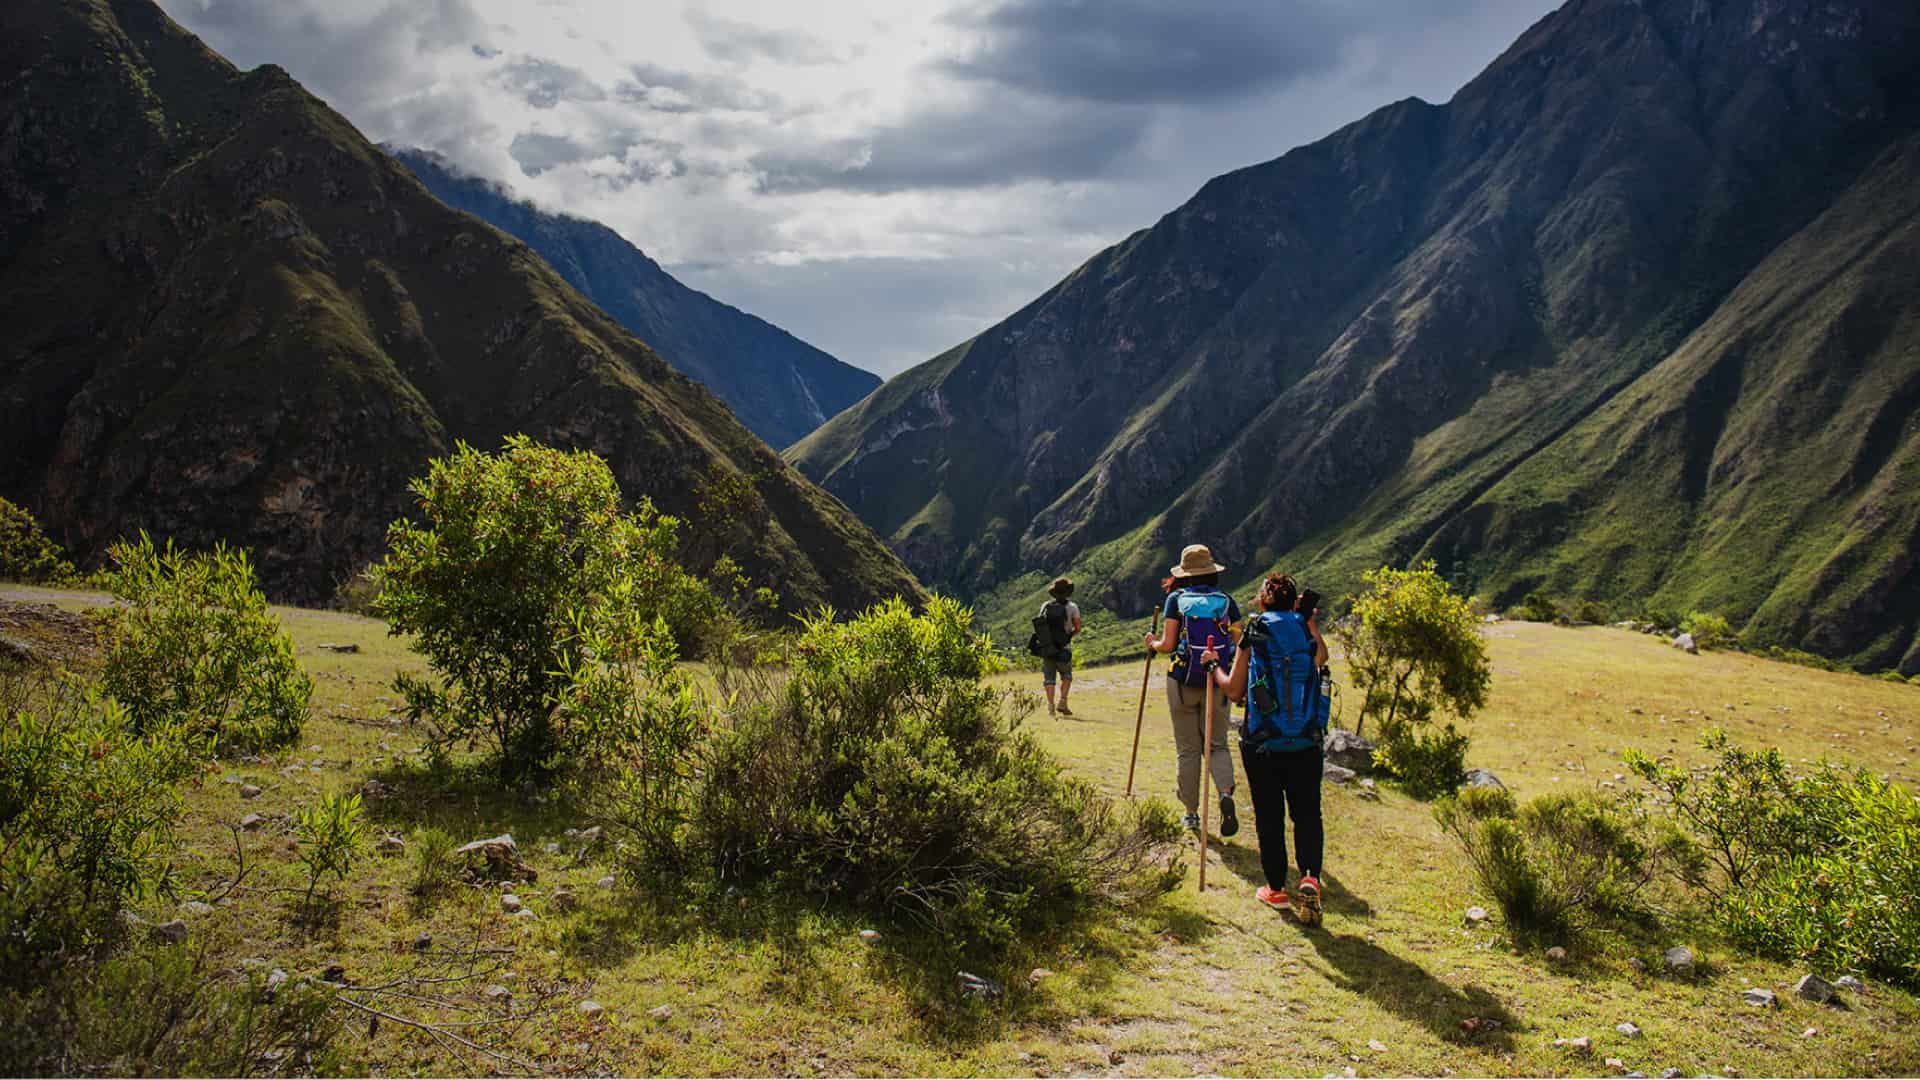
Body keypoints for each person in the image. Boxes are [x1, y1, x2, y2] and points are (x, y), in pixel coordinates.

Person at [1201, 573, 1330, 924]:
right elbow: (1321, 659)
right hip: (1306, 740)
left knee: (1270, 817)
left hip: (1263, 743)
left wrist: (1213, 665)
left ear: (1262, 600)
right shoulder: (1304, 628)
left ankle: (1276, 889)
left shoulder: (1254, 633)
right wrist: (1308, 620)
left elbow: (1234, 690)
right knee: (1307, 814)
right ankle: (1309, 878)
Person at [1143, 544, 1239, 836]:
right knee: (1217, 744)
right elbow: (1237, 643)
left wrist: (1153, 643)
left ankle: (1191, 813)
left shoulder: (1176, 599)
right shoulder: (1226, 601)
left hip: (1183, 681)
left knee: (1188, 749)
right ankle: (1224, 794)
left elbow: (1168, 645)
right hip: (1218, 679)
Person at [1036, 576, 1083, 716]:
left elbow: (1040, 624)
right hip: (1064, 647)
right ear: (1068, 592)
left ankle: (1050, 707)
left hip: (1048, 648)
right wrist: (1068, 636)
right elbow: (1078, 627)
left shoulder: (1045, 606)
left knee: (1049, 678)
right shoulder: (1072, 607)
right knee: (1066, 676)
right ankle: (1062, 702)